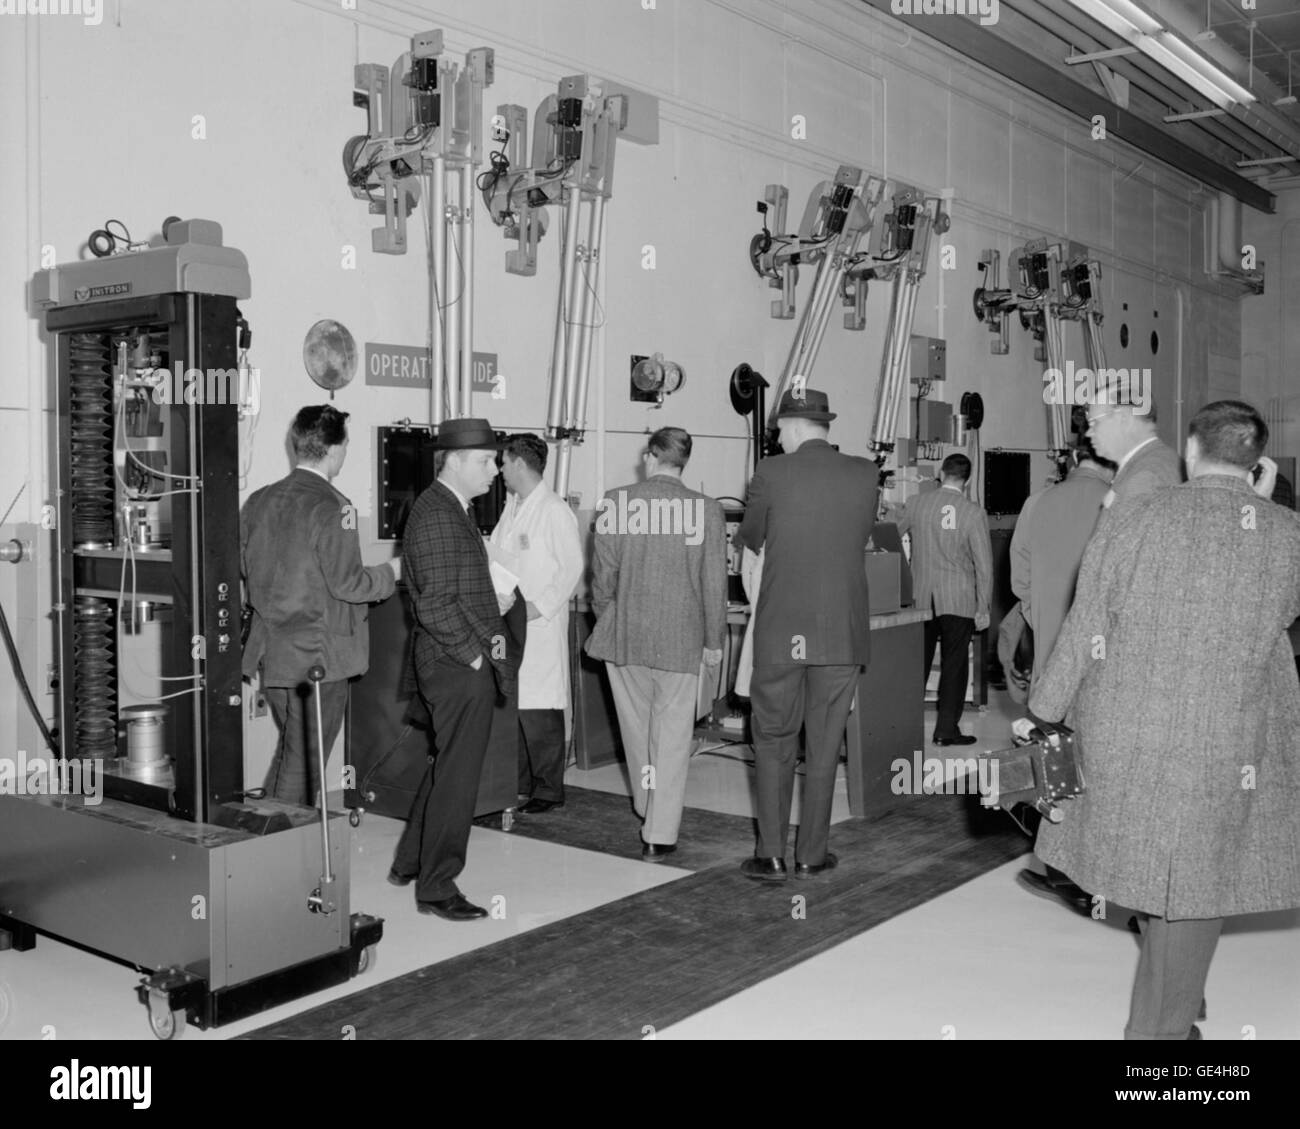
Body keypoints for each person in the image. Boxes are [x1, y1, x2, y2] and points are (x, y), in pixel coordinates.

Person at [1027, 400, 1300, 1040]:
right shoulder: (1286, 533)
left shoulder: (1134, 515)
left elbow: (1087, 623)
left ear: (1191, 450)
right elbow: (1282, 616)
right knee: (1195, 884)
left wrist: (1044, 711)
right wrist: (1263, 507)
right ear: (1257, 461)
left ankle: (1165, 1022)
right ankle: (1162, 1040)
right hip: (1227, 739)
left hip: (1126, 732)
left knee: (1162, 875)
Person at [734, 389, 878, 882]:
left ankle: (771, 854)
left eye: (779, 430)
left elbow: (752, 538)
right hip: (840, 631)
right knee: (824, 743)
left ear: (794, 427)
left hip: (781, 630)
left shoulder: (771, 472)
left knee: (773, 740)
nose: (777, 438)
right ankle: (812, 855)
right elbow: (859, 536)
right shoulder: (865, 473)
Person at [389, 418, 519, 922]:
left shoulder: (448, 507)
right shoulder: (439, 514)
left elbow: (451, 589)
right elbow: (435, 605)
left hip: (453, 661)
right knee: (458, 779)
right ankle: (437, 887)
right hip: (456, 664)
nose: (495, 470)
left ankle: (410, 861)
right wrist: (474, 656)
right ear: (456, 460)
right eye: (486, 461)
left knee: (447, 766)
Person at [241, 404, 397, 805]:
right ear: (334, 449)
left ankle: (269, 829)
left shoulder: (259, 500)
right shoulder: (338, 508)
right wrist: (391, 572)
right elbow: (350, 584)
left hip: (272, 655)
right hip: (319, 659)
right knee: (306, 763)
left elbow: (243, 567)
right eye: (345, 445)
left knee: (293, 752)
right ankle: (284, 839)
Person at [586, 427, 727, 860]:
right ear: (684, 462)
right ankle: (659, 832)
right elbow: (714, 583)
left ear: (651, 456)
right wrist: (713, 639)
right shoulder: (706, 510)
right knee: (672, 736)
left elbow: (602, 576)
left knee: (636, 733)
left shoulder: (616, 501)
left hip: (626, 636)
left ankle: (648, 806)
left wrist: (610, 617)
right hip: (681, 639)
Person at [488, 433, 584, 814]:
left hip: (538, 622)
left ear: (520, 464)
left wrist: (537, 607)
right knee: (517, 705)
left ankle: (548, 790)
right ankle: (520, 783)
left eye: (504, 463)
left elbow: (572, 568)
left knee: (541, 708)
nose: (500, 470)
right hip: (510, 618)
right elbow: (499, 555)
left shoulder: (554, 510)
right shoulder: (513, 507)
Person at [896, 454, 992, 746]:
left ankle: (902, 728)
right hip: (958, 599)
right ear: (968, 480)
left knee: (917, 665)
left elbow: (890, 535)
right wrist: (983, 607)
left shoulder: (916, 503)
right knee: (955, 664)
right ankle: (945, 730)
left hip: (922, 597)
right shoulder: (974, 513)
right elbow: (984, 566)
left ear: (941, 472)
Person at [1010, 439, 1114, 690]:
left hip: (1048, 627)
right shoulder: (1120, 504)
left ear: (1075, 458)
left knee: (1048, 699)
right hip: (1101, 633)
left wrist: (1038, 615)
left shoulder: (1036, 502)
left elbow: (1020, 576)